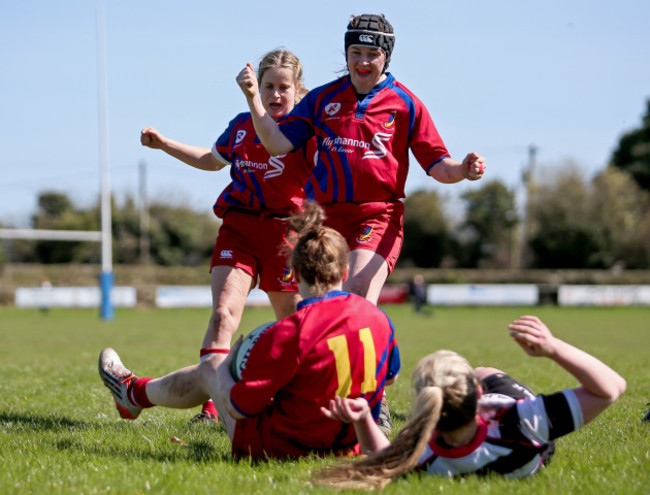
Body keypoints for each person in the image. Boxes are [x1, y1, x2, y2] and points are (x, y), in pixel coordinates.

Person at [98, 202, 401, 460]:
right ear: (345, 272)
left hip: (282, 448)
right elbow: (391, 375)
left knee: (210, 369)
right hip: (350, 445)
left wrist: (229, 367)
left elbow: (241, 406)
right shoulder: (378, 319)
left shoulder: (290, 330)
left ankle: (133, 392)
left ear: (293, 274)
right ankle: (132, 394)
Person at [237, 13, 487, 306]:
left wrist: (463, 169)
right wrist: (253, 98)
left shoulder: (406, 104)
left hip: (376, 216)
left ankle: (366, 350)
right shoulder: (321, 99)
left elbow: (438, 165)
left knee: (355, 293)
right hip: (323, 217)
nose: (363, 61)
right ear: (347, 53)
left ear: (386, 57)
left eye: (373, 54)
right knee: (316, 300)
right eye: (356, 52)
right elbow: (277, 144)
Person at [140, 50, 312, 423]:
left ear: (298, 90)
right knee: (222, 315)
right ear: (259, 87)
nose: (276, 94)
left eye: (284, 87)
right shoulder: (240, 124)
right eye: (269, 86)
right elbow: (212, 159)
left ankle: (292, 402)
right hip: (240, 228)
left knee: (293, 325)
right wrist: (165, 144)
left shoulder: (304, 129)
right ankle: (213, 406)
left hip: (287, 235)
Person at [315, 315, 626, 489]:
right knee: (485, 370)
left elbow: (381, 456)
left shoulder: (425, 457)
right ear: (479, 395)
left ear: (428, 410)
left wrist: (362, 420)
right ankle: (477, 376)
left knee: (478, 372)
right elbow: (611, 388)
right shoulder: (524, 421)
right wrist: (552, 347)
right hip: (519, 426)